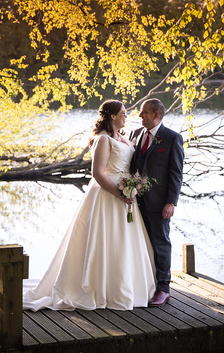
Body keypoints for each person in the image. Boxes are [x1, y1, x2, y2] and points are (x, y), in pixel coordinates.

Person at [23, 100, 156, 311]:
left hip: (126, 194)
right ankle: (99, 288)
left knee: (122, 242)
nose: (125, 116)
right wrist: (119, 194)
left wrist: (131, 189)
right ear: (112, 116)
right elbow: (97, 173)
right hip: (107, 196)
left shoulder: (125, 137)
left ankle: (127, 285)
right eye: (122, 113)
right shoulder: (103, 140)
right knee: (105, 240)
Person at [129, 98, 185, 307]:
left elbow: (176, 174)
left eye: (144, 113)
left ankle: (163, 288)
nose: (140, 116)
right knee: (138, 242)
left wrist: (171, 202)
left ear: (156, 115)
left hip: (158, 203)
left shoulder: (172, 138)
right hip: (134, 201)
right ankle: (144, 283)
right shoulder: (134, 134)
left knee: (160, 243)